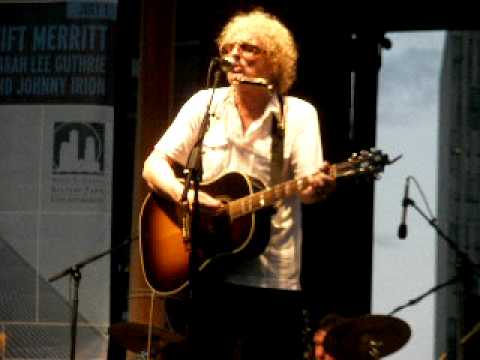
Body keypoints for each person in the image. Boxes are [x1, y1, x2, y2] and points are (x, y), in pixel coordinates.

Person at [142, 8, 336, 360]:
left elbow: (308, 192)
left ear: (274, 60)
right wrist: (186, 197)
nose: (236, 55)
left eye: (249, 48)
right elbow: (153, 166)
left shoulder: (298, 115)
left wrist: (320, 186)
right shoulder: (206, 105)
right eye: (230, 47)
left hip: (274, 280)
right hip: (210, 275)